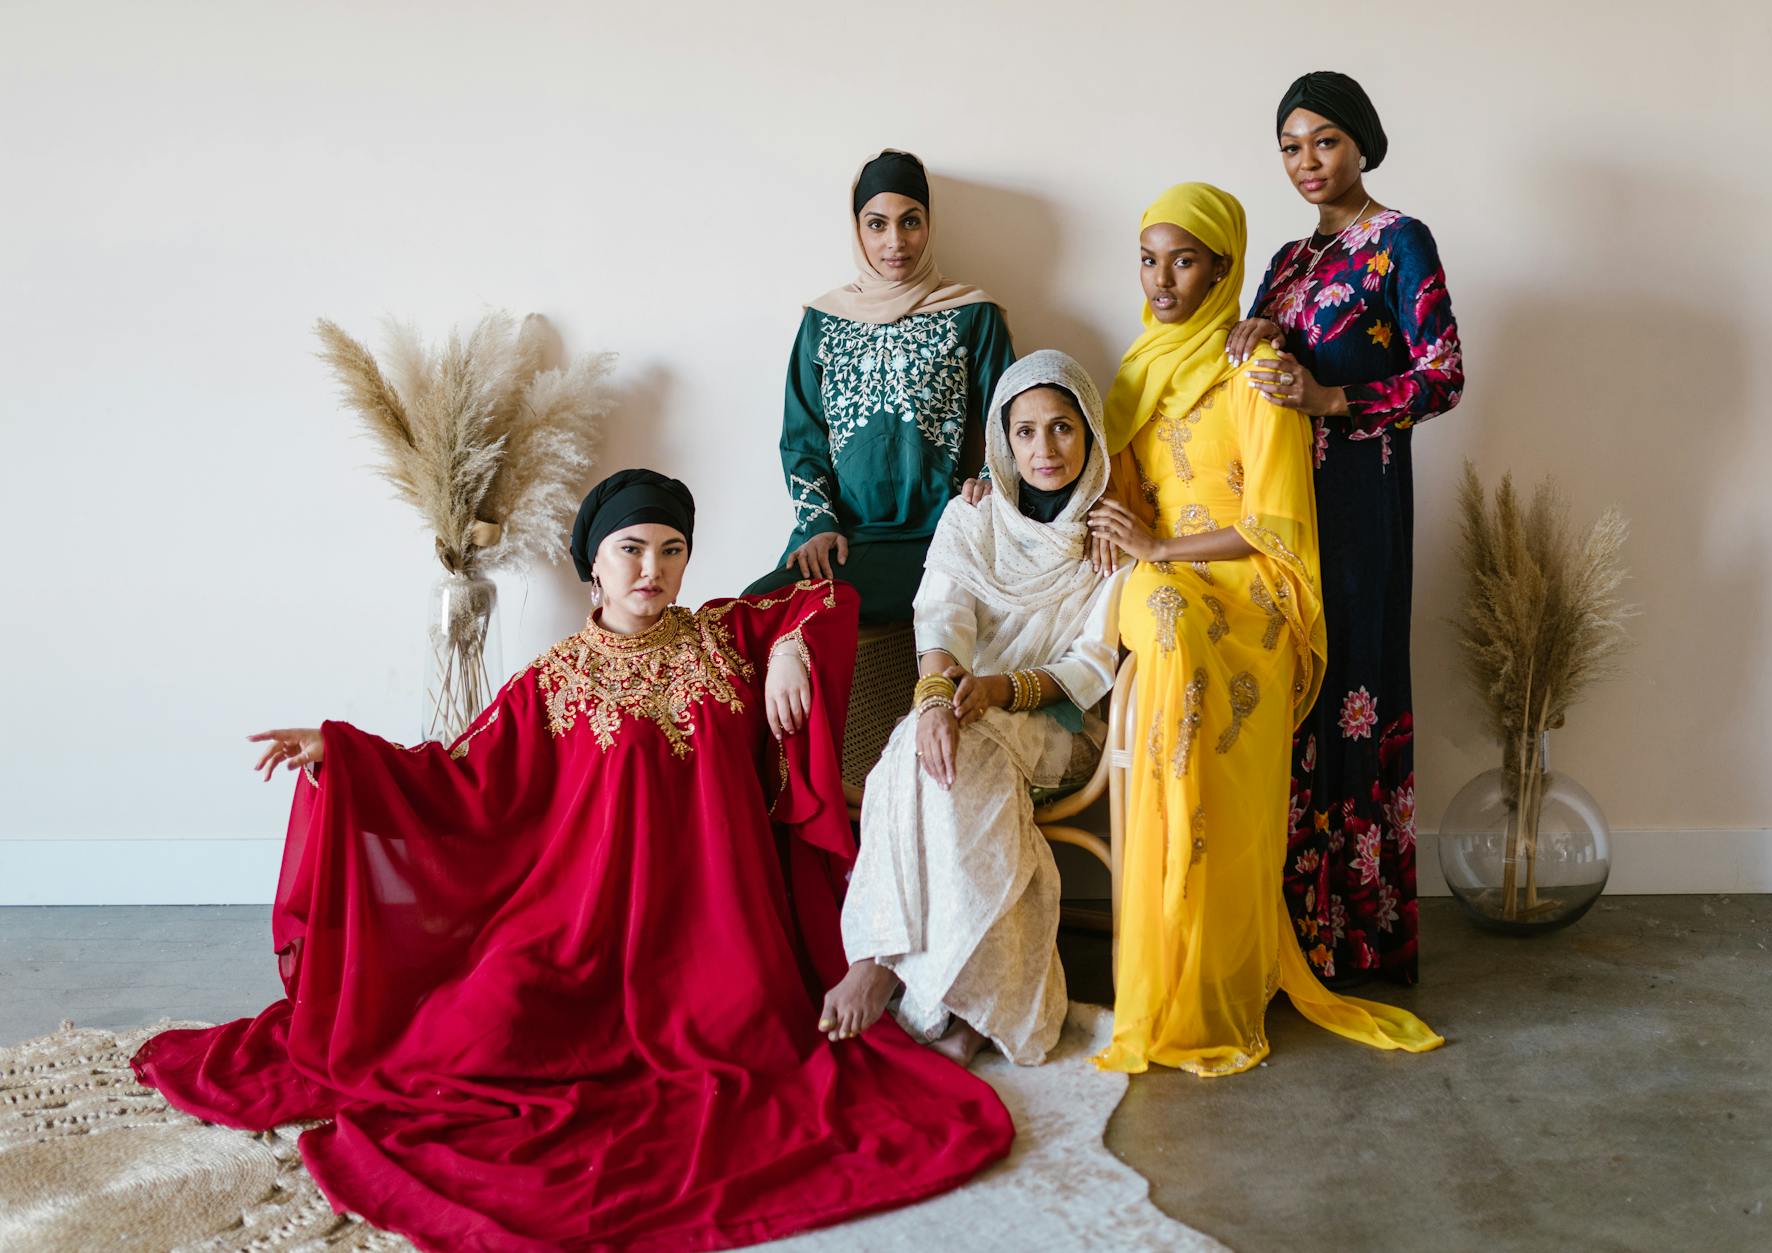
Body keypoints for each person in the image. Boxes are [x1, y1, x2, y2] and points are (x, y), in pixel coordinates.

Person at [132, 469, 1013, 1250]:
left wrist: (785, 648)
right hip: (577, 931)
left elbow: (822, 596)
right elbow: (453, 777)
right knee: (483, 1031)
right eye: (630, 549)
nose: (652, 571)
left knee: (745, 1061)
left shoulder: (722, 639)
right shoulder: (552, 682)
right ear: (593, 563)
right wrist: (341, 751)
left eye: (672, 551)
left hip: (718, 947)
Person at [1086, 182, 1443, 1077]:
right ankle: (1167, 954)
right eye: (1149, 259)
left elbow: (1273, 528)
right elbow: (1091, 487)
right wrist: (999, 487)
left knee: (1179, 619)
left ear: (1223, 269)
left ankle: (1208, 963)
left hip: (1250, 592)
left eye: (1185, 261)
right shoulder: (1134, 374)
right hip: (1162, 585)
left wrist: (1161, 543)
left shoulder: (1260, 372)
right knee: (1164, 613)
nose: (1163, 280)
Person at [1226, 71, 1465, 985]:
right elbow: (1258, 363)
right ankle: (1287, 932)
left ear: (1361, 142)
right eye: (1290, 147)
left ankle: (1359, 939)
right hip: (1284, 512)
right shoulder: (1285, 261)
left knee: (1353, 692)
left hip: (1361, 505)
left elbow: (1442, 375)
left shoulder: (1400, 241)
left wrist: (1332, 398)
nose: (1307, 163)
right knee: (1293, 701)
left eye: (1323, 141)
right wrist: (1251, 341)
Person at [825, 350, 1128, 1068]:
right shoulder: (972, 517)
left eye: (1061, 429)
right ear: (1003, 440)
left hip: (1059, 723)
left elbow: (1091, 663)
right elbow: (943, 615)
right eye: (1024, 432)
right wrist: (935, 698)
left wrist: (997, 691)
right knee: (916, 743)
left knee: (974, 750)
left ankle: (895, 962)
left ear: (1089, 434)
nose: (1043, 449)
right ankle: (942, 991)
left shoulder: (1110, 536)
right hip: (963, 701)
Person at [744, 149, 1017, 623]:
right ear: (857, 229)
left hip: (939, 536)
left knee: (822, 620)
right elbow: (802, 438)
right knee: (751, 616)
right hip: (842, 539)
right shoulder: (823, 321)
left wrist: (988, 485)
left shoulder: (972, 313)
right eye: (877, 224)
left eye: (911, 222)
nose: (896, 241)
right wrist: (818, 524)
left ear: (930, 226)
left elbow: (1012, 419)